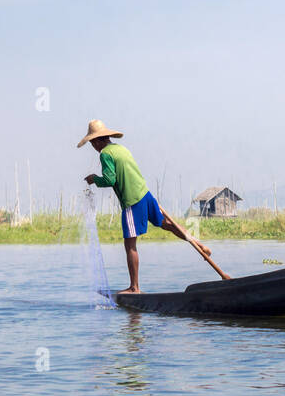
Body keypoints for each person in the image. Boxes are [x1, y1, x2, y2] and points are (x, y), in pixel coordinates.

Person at [77, 119, 210, 293]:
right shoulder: (121, 149)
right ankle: (200, 245)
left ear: (97, 141)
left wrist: (94, 179)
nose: (93, 146)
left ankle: (134, 287)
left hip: (132, 201)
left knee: (129, 244)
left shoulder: (105, 154)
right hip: (145, 194)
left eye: (93, 143)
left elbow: (110, 180)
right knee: (167, 225)